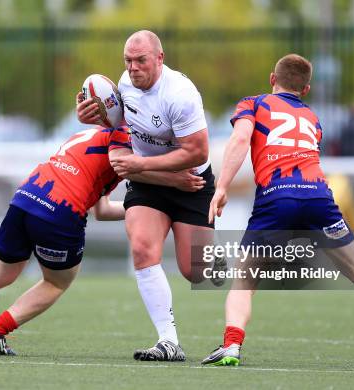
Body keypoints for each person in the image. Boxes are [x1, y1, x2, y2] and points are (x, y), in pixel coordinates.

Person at [201, 54, 354, 366]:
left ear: (273, 78)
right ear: (307, 89)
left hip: (277, 198)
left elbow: (241, 139)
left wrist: (221, 187)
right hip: (319, 199)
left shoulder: (254, 104)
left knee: (245, 279)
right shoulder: (313, 118)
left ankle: (231, 346)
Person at [0, 125, 206, 354]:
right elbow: (130, 168)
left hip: (27, 195)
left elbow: (100, 210)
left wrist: (142, 210)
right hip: (61, 208)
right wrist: (174, 181)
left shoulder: (87, 134)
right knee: (57, 282)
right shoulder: (127, 136)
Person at [77, 30, 223, 362]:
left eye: (141, 60)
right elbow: (114, 123)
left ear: (160, 58)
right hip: (149, 182)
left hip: (192, 183)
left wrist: (142, 162)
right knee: (142, 248)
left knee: (197, 271)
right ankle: (168, 341)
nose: (133, 68)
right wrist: (90, 115)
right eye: (128, 61)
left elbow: (198, 153)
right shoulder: (125, 85)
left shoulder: (180, 95)